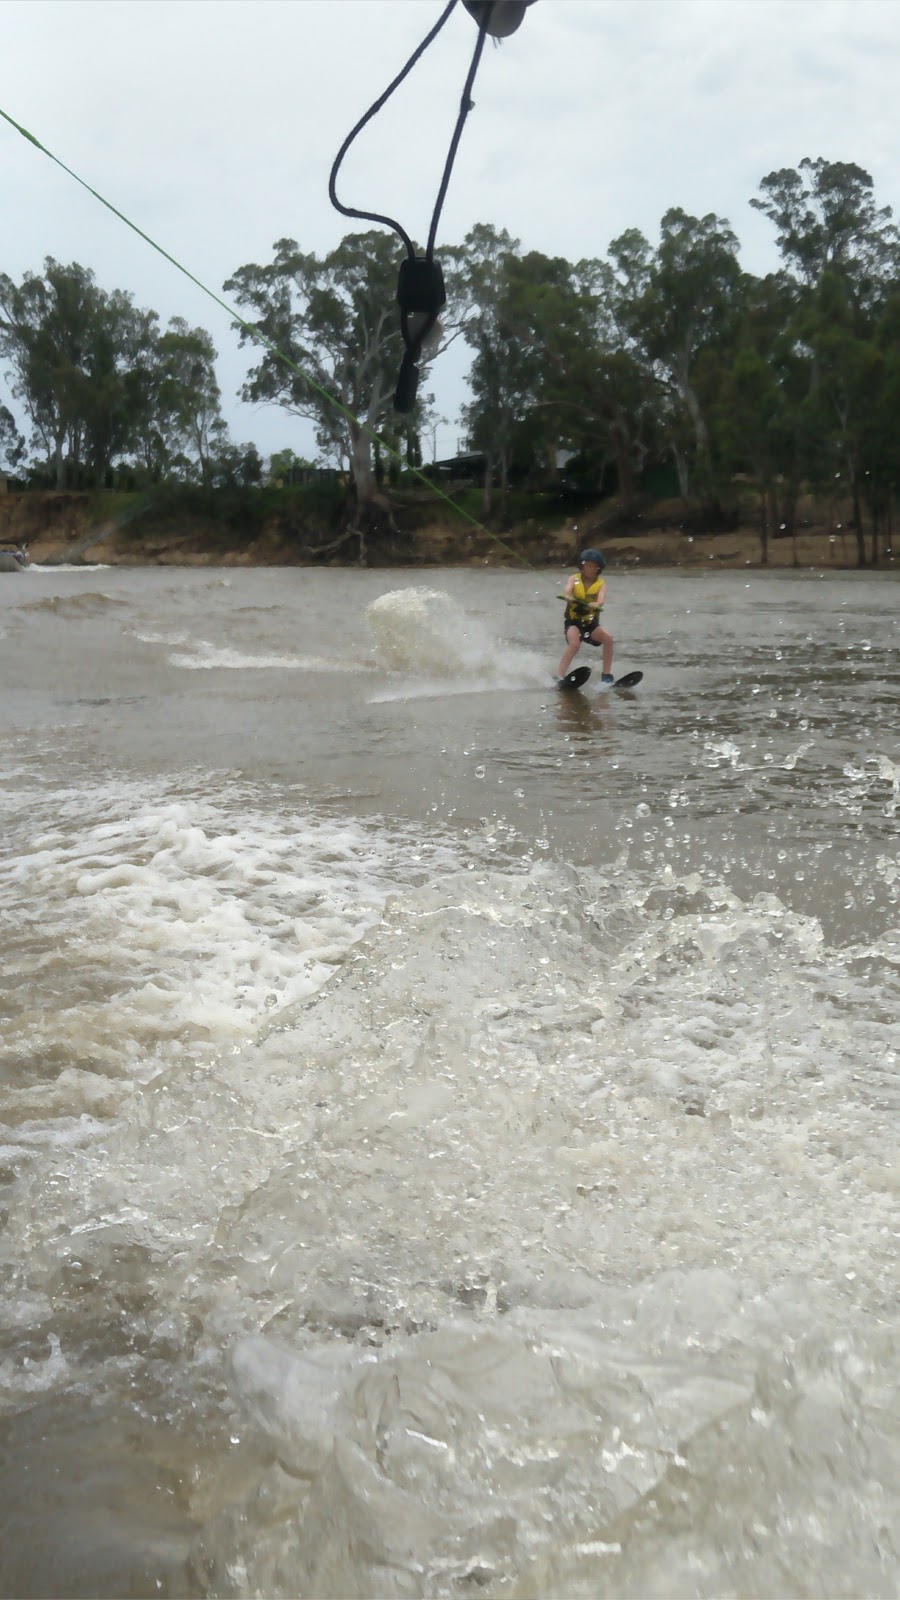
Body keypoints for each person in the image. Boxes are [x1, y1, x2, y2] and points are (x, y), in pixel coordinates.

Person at [556, 548, 614, 684]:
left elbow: (601, 600)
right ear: (582, 566)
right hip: (573, 623)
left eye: (593, 566)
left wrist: (596, 604)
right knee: (574, 644)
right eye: (587, 565)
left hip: (590, 624)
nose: (589, 569)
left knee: (608, 638)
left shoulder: (601, 585)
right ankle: (559, 676)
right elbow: (567, 591)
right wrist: (568, 597)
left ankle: (606, 676)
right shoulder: (573, 579)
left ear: (598, 568)